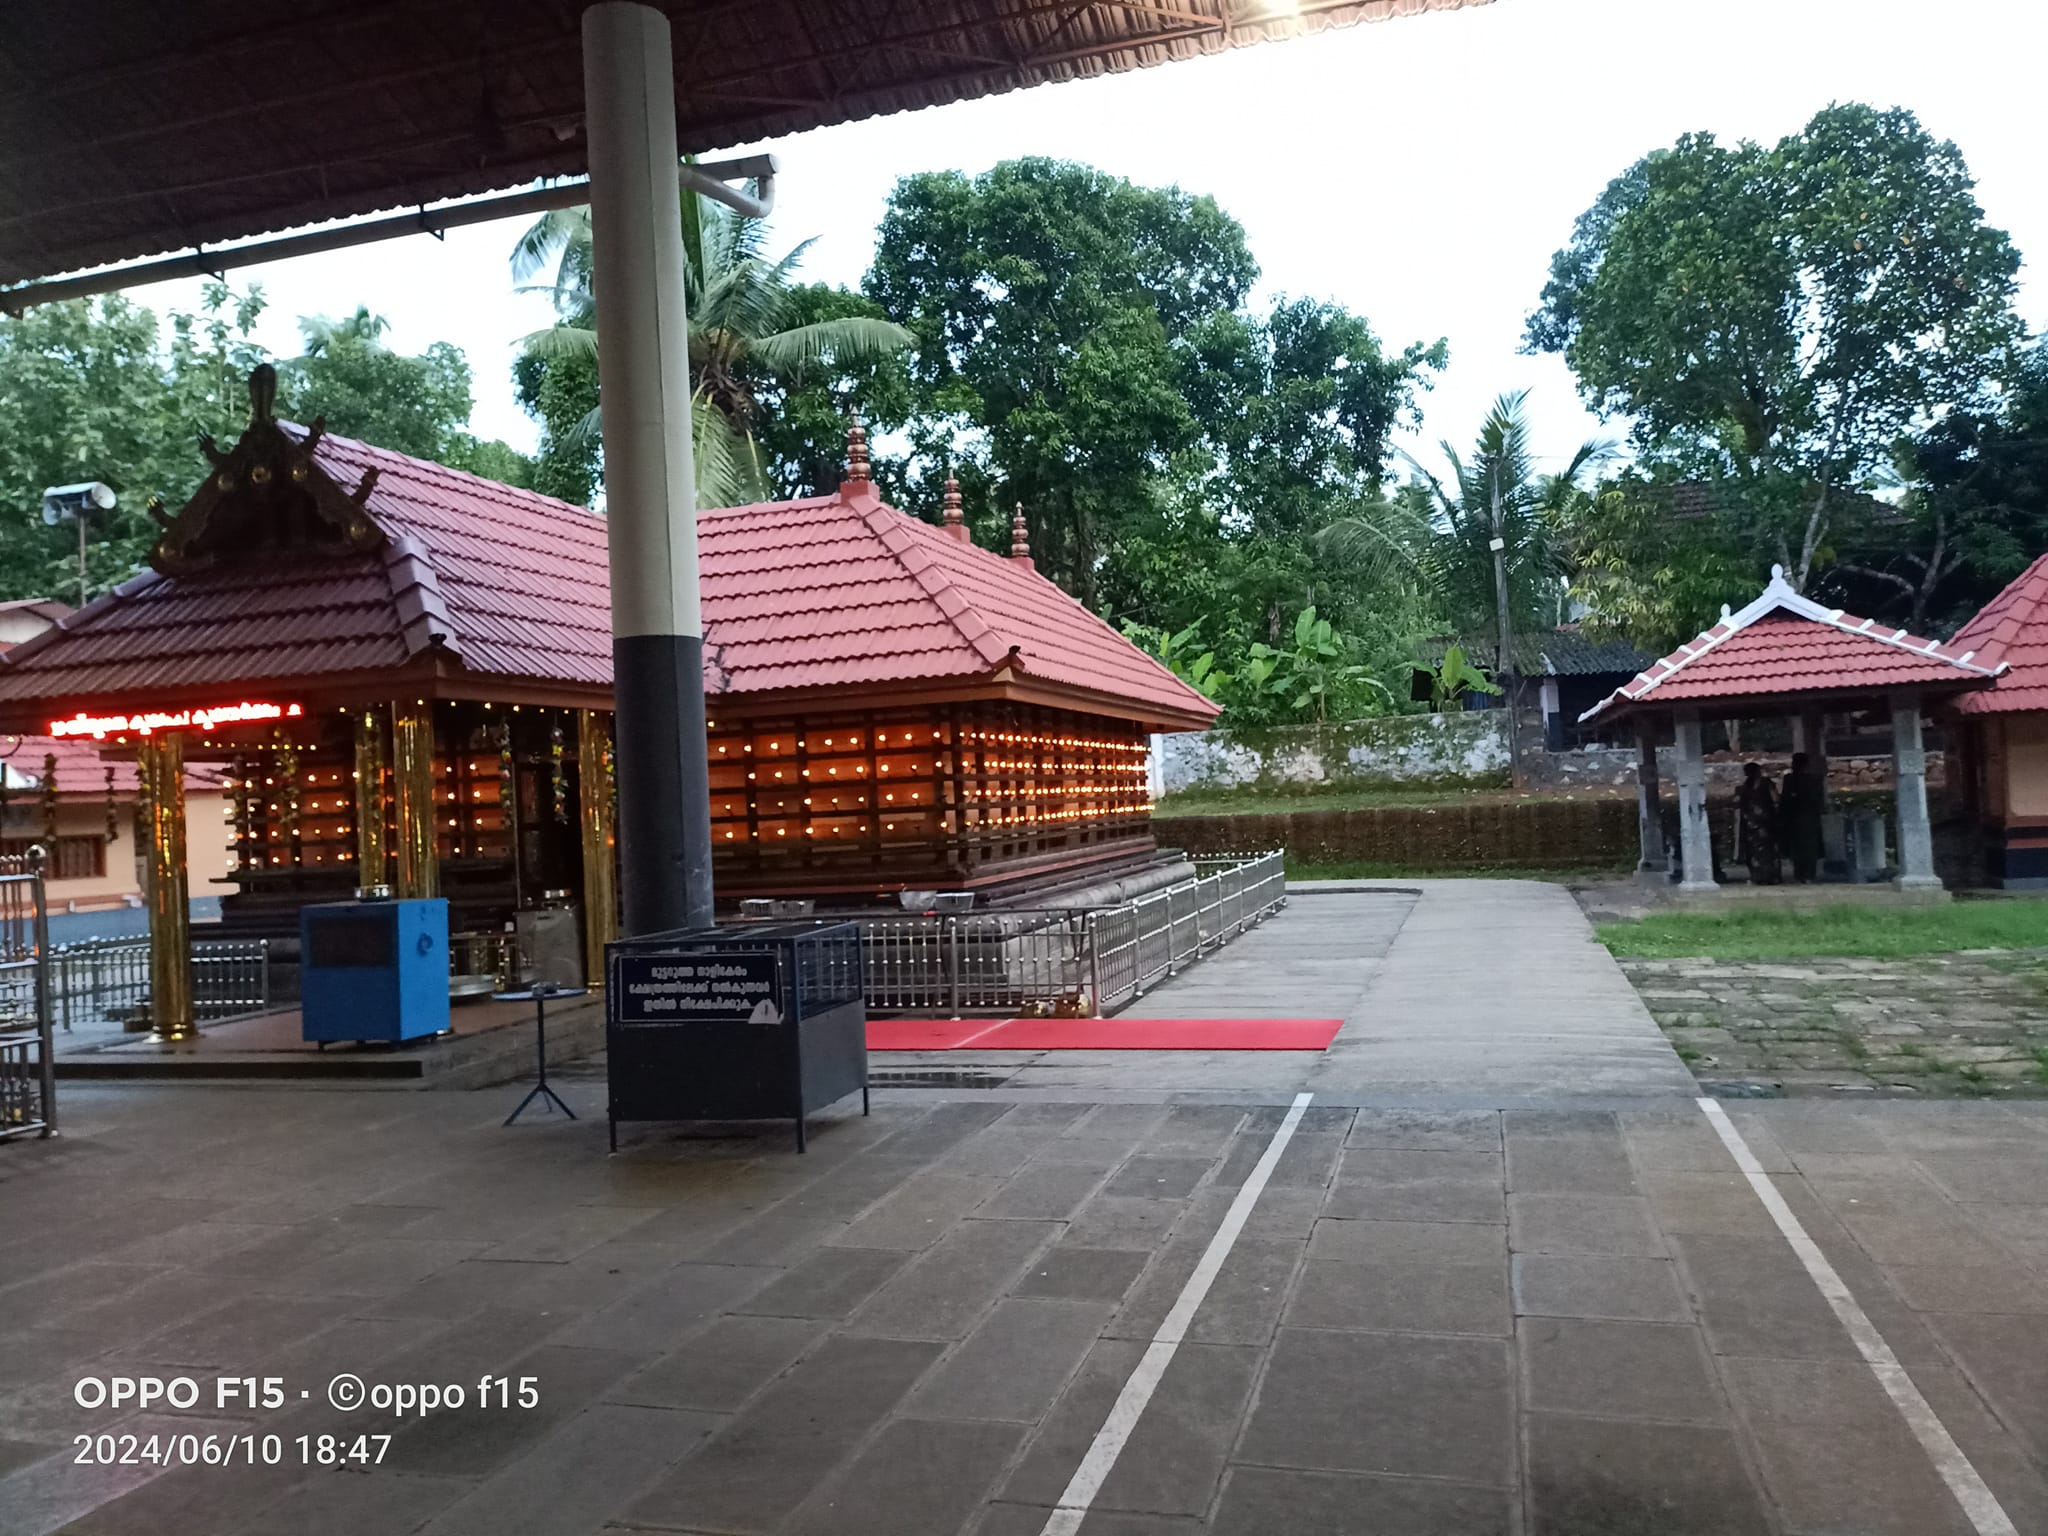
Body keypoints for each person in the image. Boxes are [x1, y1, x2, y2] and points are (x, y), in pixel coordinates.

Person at [1780, 750, 1824, 883]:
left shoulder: (1794, 779)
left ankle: (1803, 873)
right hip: (1803, 816)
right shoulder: (1812, 779)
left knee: (1802, 847)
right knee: (1804, 847)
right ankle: (1806, 874)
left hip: (1801, 816)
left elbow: (1785, 799)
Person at [1736, 761, 1780, 883]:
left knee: (1757, 850)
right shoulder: (1764, 784)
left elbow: (1739, 804)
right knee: (1764, 850)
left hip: (1755, 823)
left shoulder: (1747, 786)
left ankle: (1760, 876)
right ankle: (1769, 876)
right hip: (1760, 822)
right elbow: (1776, 799)